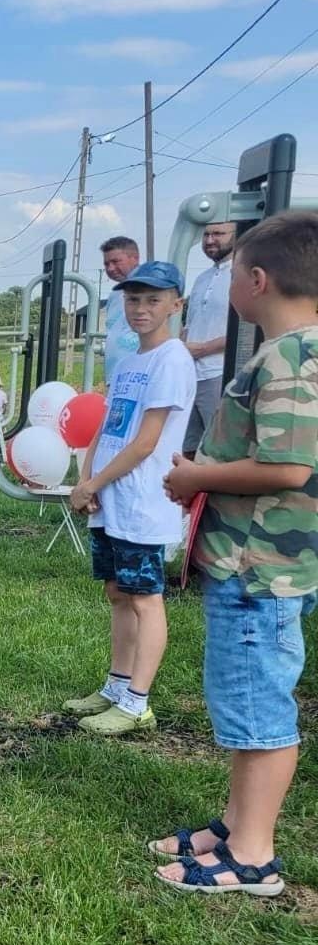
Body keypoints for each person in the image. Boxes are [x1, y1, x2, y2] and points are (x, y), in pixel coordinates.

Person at [152, 211, 318, 895]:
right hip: (262, 564)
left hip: (258, 568)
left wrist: (196, 476)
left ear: (255, 280)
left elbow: (287, 467)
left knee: (258, 710)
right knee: (248, 701)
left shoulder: (287, 354)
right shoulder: (296, 350)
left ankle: (252, 856)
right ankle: (234, 823)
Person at [65, 261, 194, 736]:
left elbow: (146, 442)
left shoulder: (172, 359)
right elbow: (108, 424)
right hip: (110, 497)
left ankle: (138, 701)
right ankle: (116, 686)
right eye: (133, 299)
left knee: (145, 598)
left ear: (175, 305)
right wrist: (87, 474)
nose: (141, 309)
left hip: (141, 502)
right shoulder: (129, 362)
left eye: (153, 300)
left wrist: (93, 485)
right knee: (118, 593)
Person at [182, 221, 236, 455]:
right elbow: (191, 323)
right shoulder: (202, 278)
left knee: (217, 448)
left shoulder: (240, 276)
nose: (210, 240)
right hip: (190, 374)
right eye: (206, 235)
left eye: (218, 234)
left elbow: (246, 327)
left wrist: (203, 349)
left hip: (218, 373)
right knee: (188, 447)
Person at [101, 235, 142, 382]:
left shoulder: (147, 291)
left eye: (116, 261)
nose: (110, 268)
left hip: (137, 374)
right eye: (106, 264)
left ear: (135, 259)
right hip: (115, 375)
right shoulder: (114, 294)